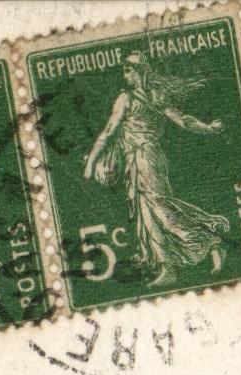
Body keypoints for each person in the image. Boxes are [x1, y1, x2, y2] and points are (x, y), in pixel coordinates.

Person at [83, 53, 229, 288]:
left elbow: (109, 131)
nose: (125, 75)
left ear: (140, 72)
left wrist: (91, 162)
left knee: (160, 209)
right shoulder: (153, 96)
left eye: (128, 70)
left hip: (145, 158)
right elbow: (183, 120)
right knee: (148, 212)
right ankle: (167, 267)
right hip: (140, 159)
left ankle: (210, 242)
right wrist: (209, 128)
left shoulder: (127, 99)